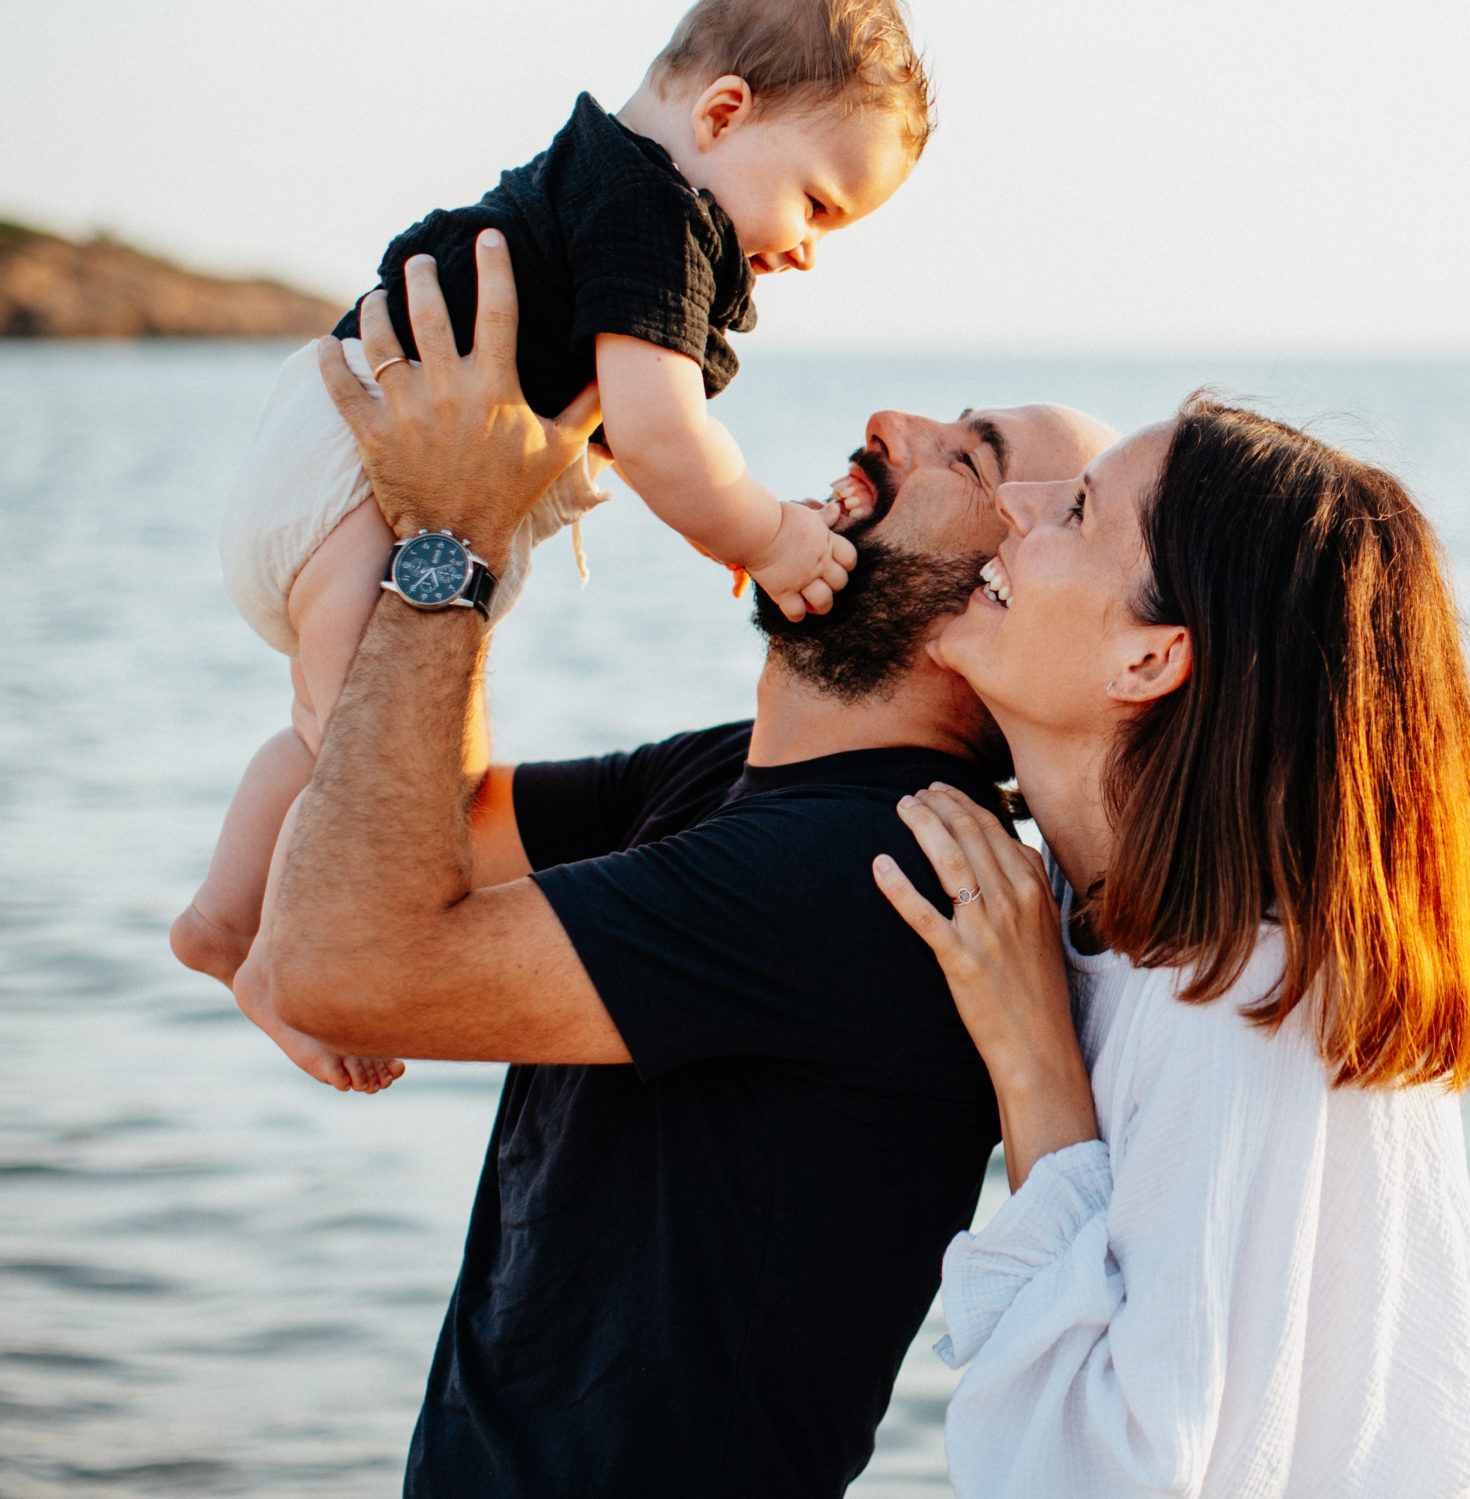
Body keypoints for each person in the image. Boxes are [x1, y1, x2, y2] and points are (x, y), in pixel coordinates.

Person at [215, 237, 1118, 1496]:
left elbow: (335, 961)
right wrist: (484, 496)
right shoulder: (732, 775)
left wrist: (456, 539)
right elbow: (410, 828)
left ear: (1006, 589)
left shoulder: (874, 873)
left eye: (968, 455)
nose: (891, 424)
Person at [176, 0, 928, 1093]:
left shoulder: (604, 192)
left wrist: (716, 521)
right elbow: (660, 433)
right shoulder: (654, 212)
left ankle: (223, 924)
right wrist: (764, 536)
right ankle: (294, 967)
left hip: (325, 470)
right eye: (817, 202)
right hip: (363, 474)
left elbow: (613, 425)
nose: (810, 245)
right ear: (723, 114)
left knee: (324, 735)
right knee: (381, 773)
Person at [871, 392, 1470, 1497]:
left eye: (1080, 510)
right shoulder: (1085, 913)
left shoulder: (1250, 1002)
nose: (1019, 505)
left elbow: (1104, 1481)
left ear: (1147, 663)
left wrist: (1034, 1063)